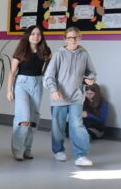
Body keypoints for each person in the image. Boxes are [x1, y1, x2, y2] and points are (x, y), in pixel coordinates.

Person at [43, 26, 97, 166]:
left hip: (76, 97)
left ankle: (81, 155)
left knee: (77, 125)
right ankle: (58, 150)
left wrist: (90, 79)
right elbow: (49, 76)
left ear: (80, 38)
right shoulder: (59, 54)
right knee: (58, 126)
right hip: (59, 97)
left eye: (76, 37)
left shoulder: (84, 54)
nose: (73, 40)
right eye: (70, 37)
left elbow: (91, 72)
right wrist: (54, 90)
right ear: (65, 39)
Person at [6, 25, 51, 160]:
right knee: (23, 118)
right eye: (33, 34)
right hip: (22, 84)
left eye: (38, 34)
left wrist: (44, 75)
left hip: (37, 83)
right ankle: (18, 150)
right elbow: (12, 73)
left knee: (33, 118)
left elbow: (49, 64)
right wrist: (9, 90)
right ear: (28, 35)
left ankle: (27, 149)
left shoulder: (45, 51)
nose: (36, 36)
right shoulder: (20, 52)